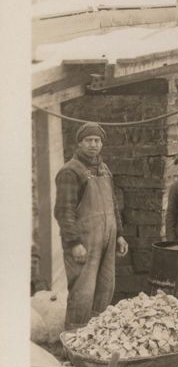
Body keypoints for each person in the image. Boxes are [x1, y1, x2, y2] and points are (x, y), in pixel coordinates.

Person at [53, 122, 129, 330]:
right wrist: (74, 242)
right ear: (79, 143)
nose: (93, 145)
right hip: (84, 242)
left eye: (97, 140)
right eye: (88, 140)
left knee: (105, 288)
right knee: (83, 292)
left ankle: (95, 340)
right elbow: (63, 212)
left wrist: (119, 234)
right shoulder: (70, 172)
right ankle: (73, 343)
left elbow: (113, 204)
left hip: (108, 239)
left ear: (102, 144)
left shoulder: (104, 170)